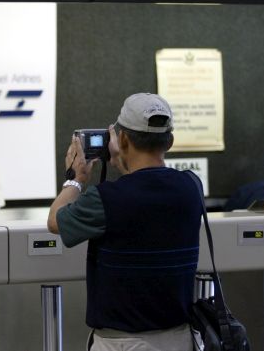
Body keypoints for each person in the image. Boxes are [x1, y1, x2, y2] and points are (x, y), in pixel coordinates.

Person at [47, 93, 203, 351]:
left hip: (122, 343)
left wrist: (76, 179)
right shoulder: (191, 186)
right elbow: (147, 186)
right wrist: (123, 160)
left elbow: (56, 221)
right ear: (171, 141)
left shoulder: (106, 199)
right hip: (181, 338)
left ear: (123, 139)